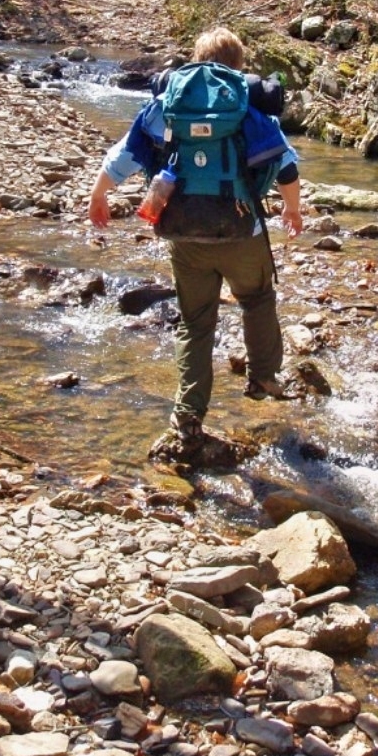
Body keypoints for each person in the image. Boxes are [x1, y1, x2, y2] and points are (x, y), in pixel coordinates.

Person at [88, 27, 303, 469]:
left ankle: (187, 417)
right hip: (242, 231)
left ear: (193, 61)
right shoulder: (246, 106)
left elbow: (126, 156)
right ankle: (263, 378)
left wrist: (99, 193)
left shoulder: (168, 105)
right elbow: (285, 166)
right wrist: (293, 211)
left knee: (195, 323)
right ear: (239, 67)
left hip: (183, 232)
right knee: (257, 299)